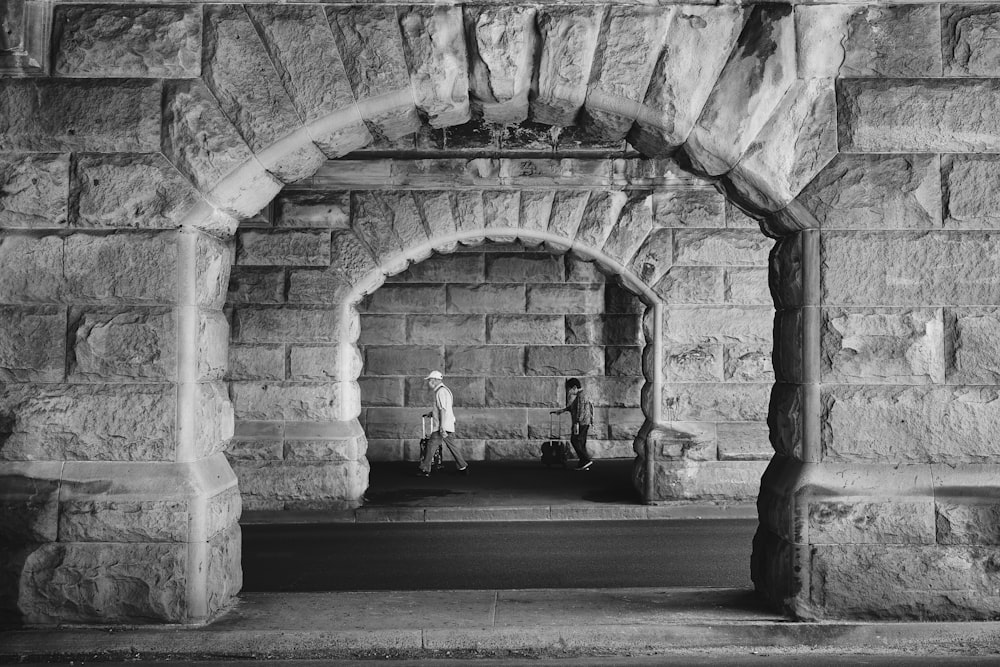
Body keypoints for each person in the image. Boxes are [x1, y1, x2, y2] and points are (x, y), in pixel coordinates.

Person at [418, 371, 469, 477]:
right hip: (448, 424)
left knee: (431, 445)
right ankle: (463, 467)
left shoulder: (440, 392)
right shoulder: (445, 391)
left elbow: (443, 410)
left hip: (442, 426)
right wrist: (432, 413)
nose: (429, 382)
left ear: (436, 380)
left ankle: (425, 469)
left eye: (430, 380)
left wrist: (442, 428)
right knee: (452, 446)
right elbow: (444, 408)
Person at [551, 378, 594, 470]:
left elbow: (581, 411)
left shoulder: (581, 396)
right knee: (581, 442)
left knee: (575, 440)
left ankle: (585, 460)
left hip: (581, 423)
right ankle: (583, 463)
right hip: (584, 423)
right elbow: (572, 408)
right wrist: (560, 411)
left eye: (569, 389)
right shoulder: (581, 395)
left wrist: (577, 423)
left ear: (574, 387)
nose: (569, 391)